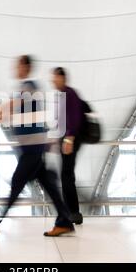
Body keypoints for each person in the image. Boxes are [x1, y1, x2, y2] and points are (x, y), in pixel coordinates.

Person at [0, 55, 75, 237]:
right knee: (49, 186)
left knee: (17, 183)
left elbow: (10, 106)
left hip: (33, 149)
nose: (15, 69)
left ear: (26, 67)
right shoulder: (25, 90)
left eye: (18, 65)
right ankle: (65, 221)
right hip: (32, 148)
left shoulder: (29, 88)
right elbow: (10, 114)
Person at [52, 67, 84, 225]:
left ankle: (74, 212)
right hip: (65, 140)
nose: (53, 81)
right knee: (66, 176)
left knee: (67, 176)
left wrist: (69, 139)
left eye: (55, 78)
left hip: (69, 140)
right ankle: (70, 212)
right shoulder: (62, 95)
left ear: (62, 78)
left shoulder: (69, 94)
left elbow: (74, 118)